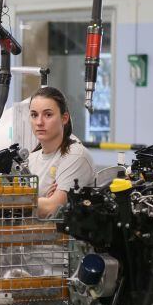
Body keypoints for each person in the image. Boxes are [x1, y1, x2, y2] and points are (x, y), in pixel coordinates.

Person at [28, 86, 95, 218]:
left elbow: (52, 208)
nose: (39, 122)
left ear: (64, 118)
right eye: (34, 115)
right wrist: (42, 200)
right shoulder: (30, 159)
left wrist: (40, 202)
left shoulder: (75, 155)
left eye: (48, 115)